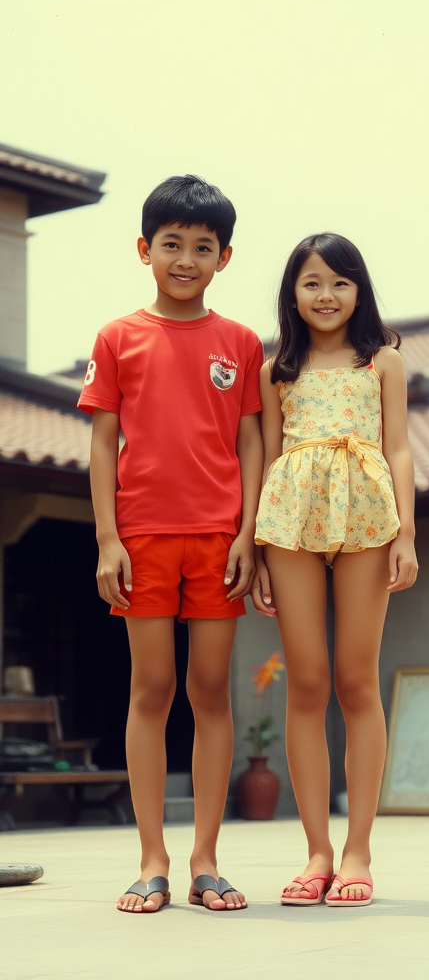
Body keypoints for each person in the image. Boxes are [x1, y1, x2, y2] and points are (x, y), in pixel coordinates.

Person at [78, 175, 263, 913]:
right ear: (144, 249)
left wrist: (249, 535)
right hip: (143, 538)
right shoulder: (118, 337)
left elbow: (252, 441)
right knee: (150, 691)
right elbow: (101, 444)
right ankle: (152, 859)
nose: (185, 258)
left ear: (224, 257)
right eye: (172, 244)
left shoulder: (240, 343)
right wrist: (106, 539)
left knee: (210, 693)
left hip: (218, 541)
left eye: (202, 247)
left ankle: (205, 859)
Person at [252, 233, 418, 906]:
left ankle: (357, 851)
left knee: (356, 679)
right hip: (289, 517)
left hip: (367, 514)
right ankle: (317, 850)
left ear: (360, 290)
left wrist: (406, 533)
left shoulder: (383, 363)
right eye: (312, 283)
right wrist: (259, 549)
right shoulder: (275, 370)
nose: (326, 296)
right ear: (293, 292)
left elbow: (401, 450)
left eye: (339, 283)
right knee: (307, 682)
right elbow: (263, 457)